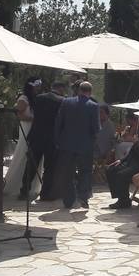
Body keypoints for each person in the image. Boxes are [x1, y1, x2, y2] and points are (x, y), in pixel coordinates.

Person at [53, 81, 100, 209]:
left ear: (79, 90)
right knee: (85, 171)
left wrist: (58, 140)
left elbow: (59, 122)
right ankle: (83, 197)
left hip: (67, 144)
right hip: (85, 145)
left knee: (68, 173)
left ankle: (68, 200)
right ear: (90, 92)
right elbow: (96, 128)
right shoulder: (93, 106)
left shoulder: (66, 102)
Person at [22, 80, 66, 201]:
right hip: (52, 138)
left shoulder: (38, 98)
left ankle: (24, 191)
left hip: (36, 135)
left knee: (31, 164)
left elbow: (34, 113)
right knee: (49, 167)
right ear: (61, 89)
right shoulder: (62, 101)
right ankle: (45, 193)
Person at [106, 115, 139, 209]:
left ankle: (123, 201)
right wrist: (121, 160)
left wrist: (136, 142)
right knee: (111, 169)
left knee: (122, 174)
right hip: (133, 161)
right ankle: (121, 197)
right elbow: (133, 151)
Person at [3, 77, 41, 198]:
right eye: (37, 86)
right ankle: (15, 184)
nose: (38, 88)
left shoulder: (35, 98)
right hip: (27, 128)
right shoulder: (23, 99)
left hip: (34, 129)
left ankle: (32, 185)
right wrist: (34, 119)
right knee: (24, 154)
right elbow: (19, 115)